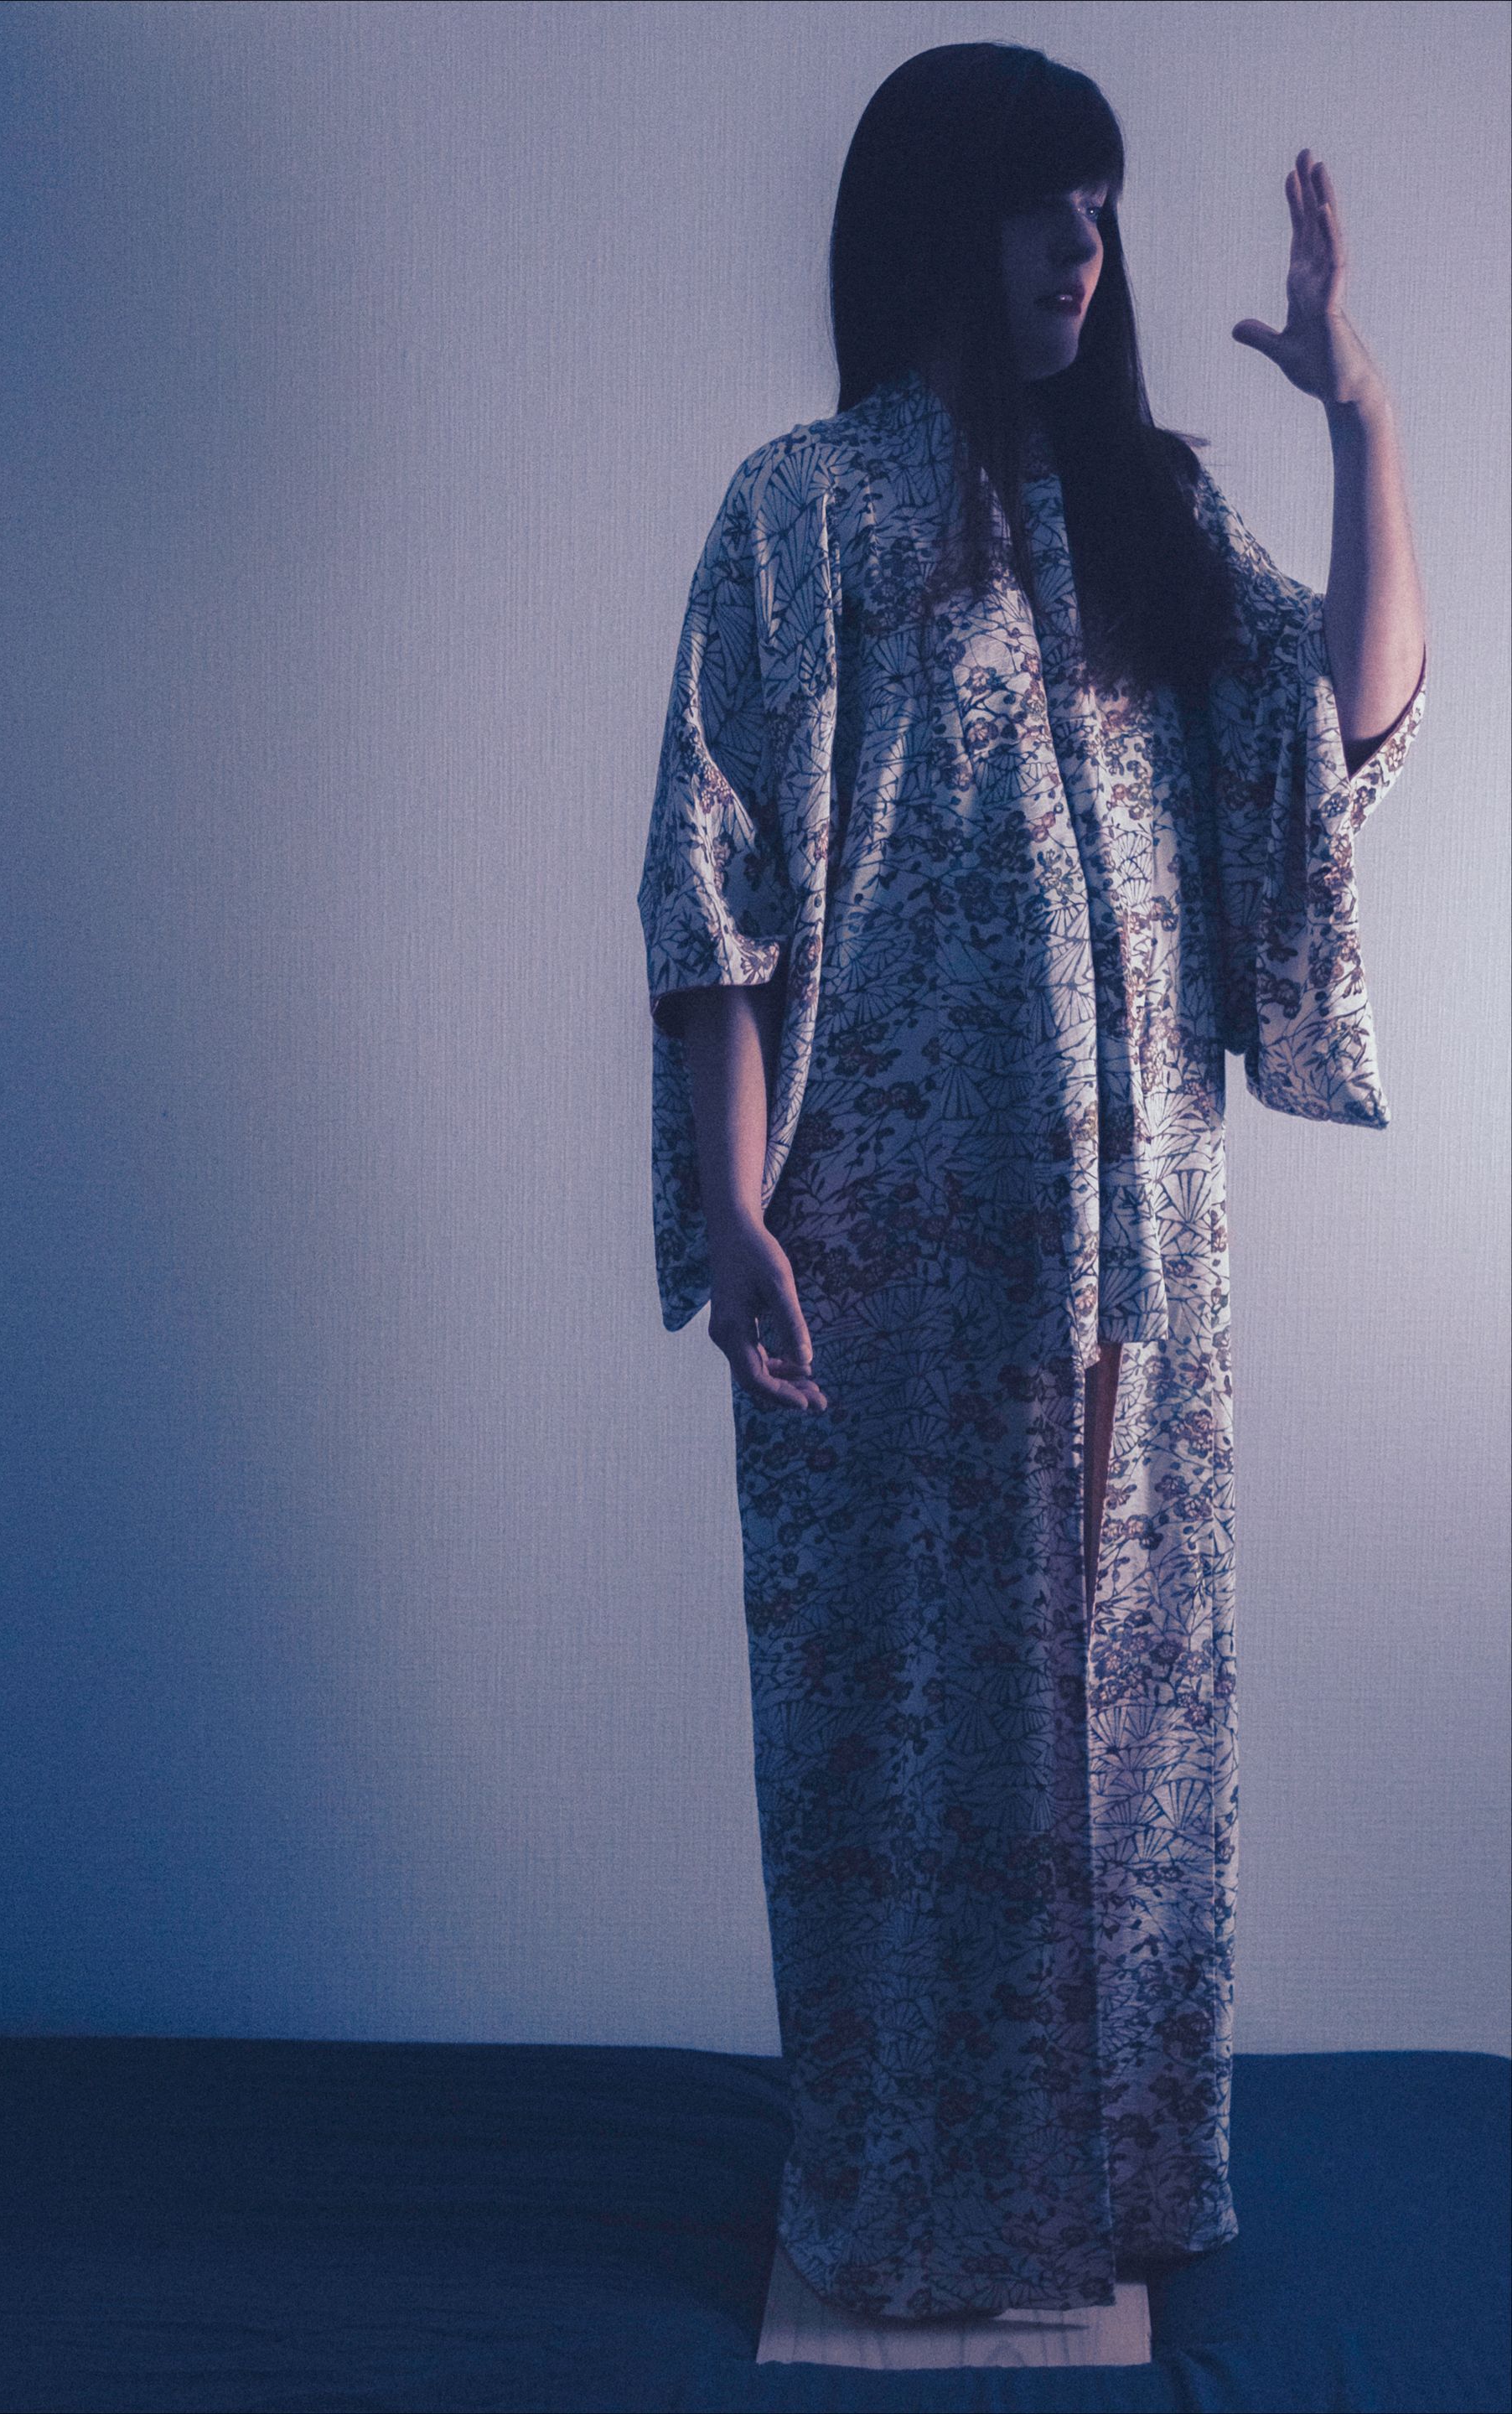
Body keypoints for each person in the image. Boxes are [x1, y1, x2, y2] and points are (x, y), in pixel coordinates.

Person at [636, 41, 1427, 2324]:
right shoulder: (802, 517)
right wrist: (744, 1207)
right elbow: (722, 895)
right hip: (890, 1271)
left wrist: (1362, 414)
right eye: (1032, 210)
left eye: (1101, 209)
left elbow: (1347, 733)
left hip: (1133, 1264)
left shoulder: (1160, 517)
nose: (1081, 253)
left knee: (1127, 1730)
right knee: (910, 1739)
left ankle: (1103, 2205)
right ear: (931, 232)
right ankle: (905, 2210)